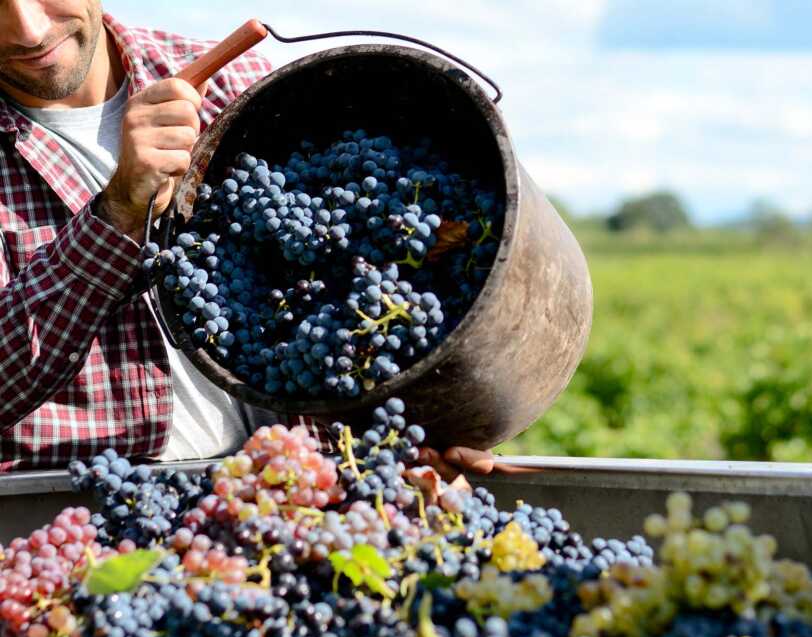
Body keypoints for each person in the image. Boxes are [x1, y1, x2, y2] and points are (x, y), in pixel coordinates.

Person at [0, 0, 494, 480]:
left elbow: (365, 285)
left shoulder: (236, 82)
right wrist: (117, 213)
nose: (28, 30)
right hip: (94, 517)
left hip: (312, 498)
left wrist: (428, 423)